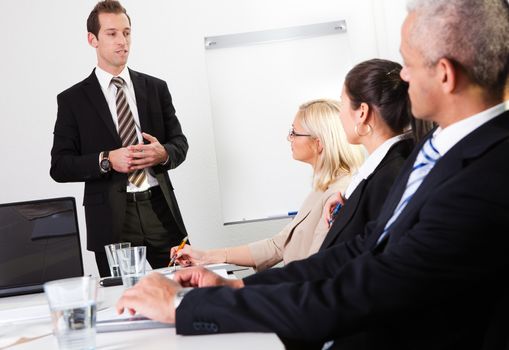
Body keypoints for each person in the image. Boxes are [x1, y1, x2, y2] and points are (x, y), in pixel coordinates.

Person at [116, 0, 509, 348]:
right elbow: (363, 249)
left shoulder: (487, 178)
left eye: (407, 63)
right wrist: (236, 284)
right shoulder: (433, 149)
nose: (402, 78)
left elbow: (365, 289)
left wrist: (189, 308)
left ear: (444, 74)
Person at [50, 0, 188, 276]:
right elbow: (60, 166)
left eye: (126, 32)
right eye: (112, 33)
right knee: (125, 304)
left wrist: (164, 154)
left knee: (182, 290)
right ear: (93, 40)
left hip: (160, 210)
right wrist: (106, 160)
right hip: (111, 220)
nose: (122, 41)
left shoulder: (156, 88)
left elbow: (179, 143)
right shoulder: (73, 100)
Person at [172, 99, 365, 271]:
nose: (289, 138)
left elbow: (315, 268)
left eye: (294, 133)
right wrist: (205, 256)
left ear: (318, 143)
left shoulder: (338, 194)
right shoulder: (323, 187)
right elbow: (278, 245)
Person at [320, 58, 431, 250]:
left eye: (342, 103)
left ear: (362, 112)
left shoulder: (391, 175)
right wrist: (347, 209)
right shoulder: (386, 167)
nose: (339, 114)